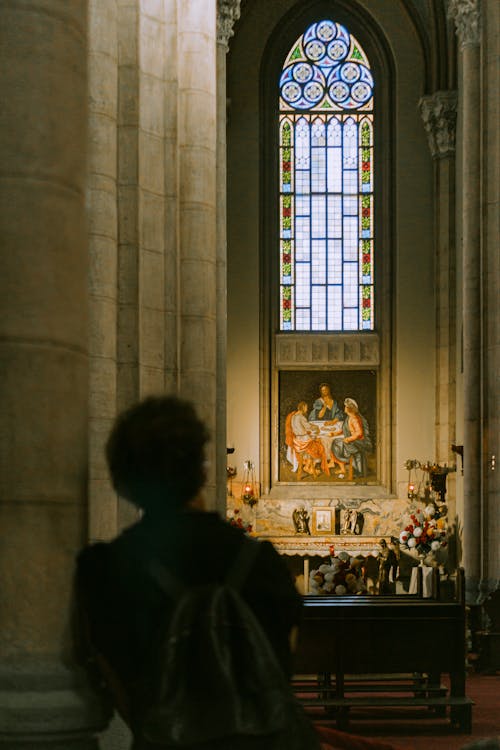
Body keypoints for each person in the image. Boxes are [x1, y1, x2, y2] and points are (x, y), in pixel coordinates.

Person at [72, 395, 303, 744]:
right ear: (202, 468)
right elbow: (281, 662)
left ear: (121, 481)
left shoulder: (103, 569)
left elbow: (115, 680)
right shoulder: (260, 562)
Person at [330, 397, 372, 480]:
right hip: (352, 441)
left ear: (349, 408)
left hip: (357, 442)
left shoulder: (354, 419)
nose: (344, 408)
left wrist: (348, 439)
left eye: (345, 407)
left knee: (337, 444)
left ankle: (354, 469)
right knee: (336, 442)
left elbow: (359, 433)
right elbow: (345, 429)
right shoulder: (349, 418)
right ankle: (347, 466)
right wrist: (335, 433)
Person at [285, 401, 329, 479]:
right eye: (306, 407)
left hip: (297, 441)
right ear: (303, 407)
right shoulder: (301, 417)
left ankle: (308, 468)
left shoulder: (293, 416)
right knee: (319, 445)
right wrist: (316, 427)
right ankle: (311, 468)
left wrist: (309, 427)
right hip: (304, 441)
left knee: (314, 442)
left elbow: (302, 426)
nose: (307, 409)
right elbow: (308, 427)